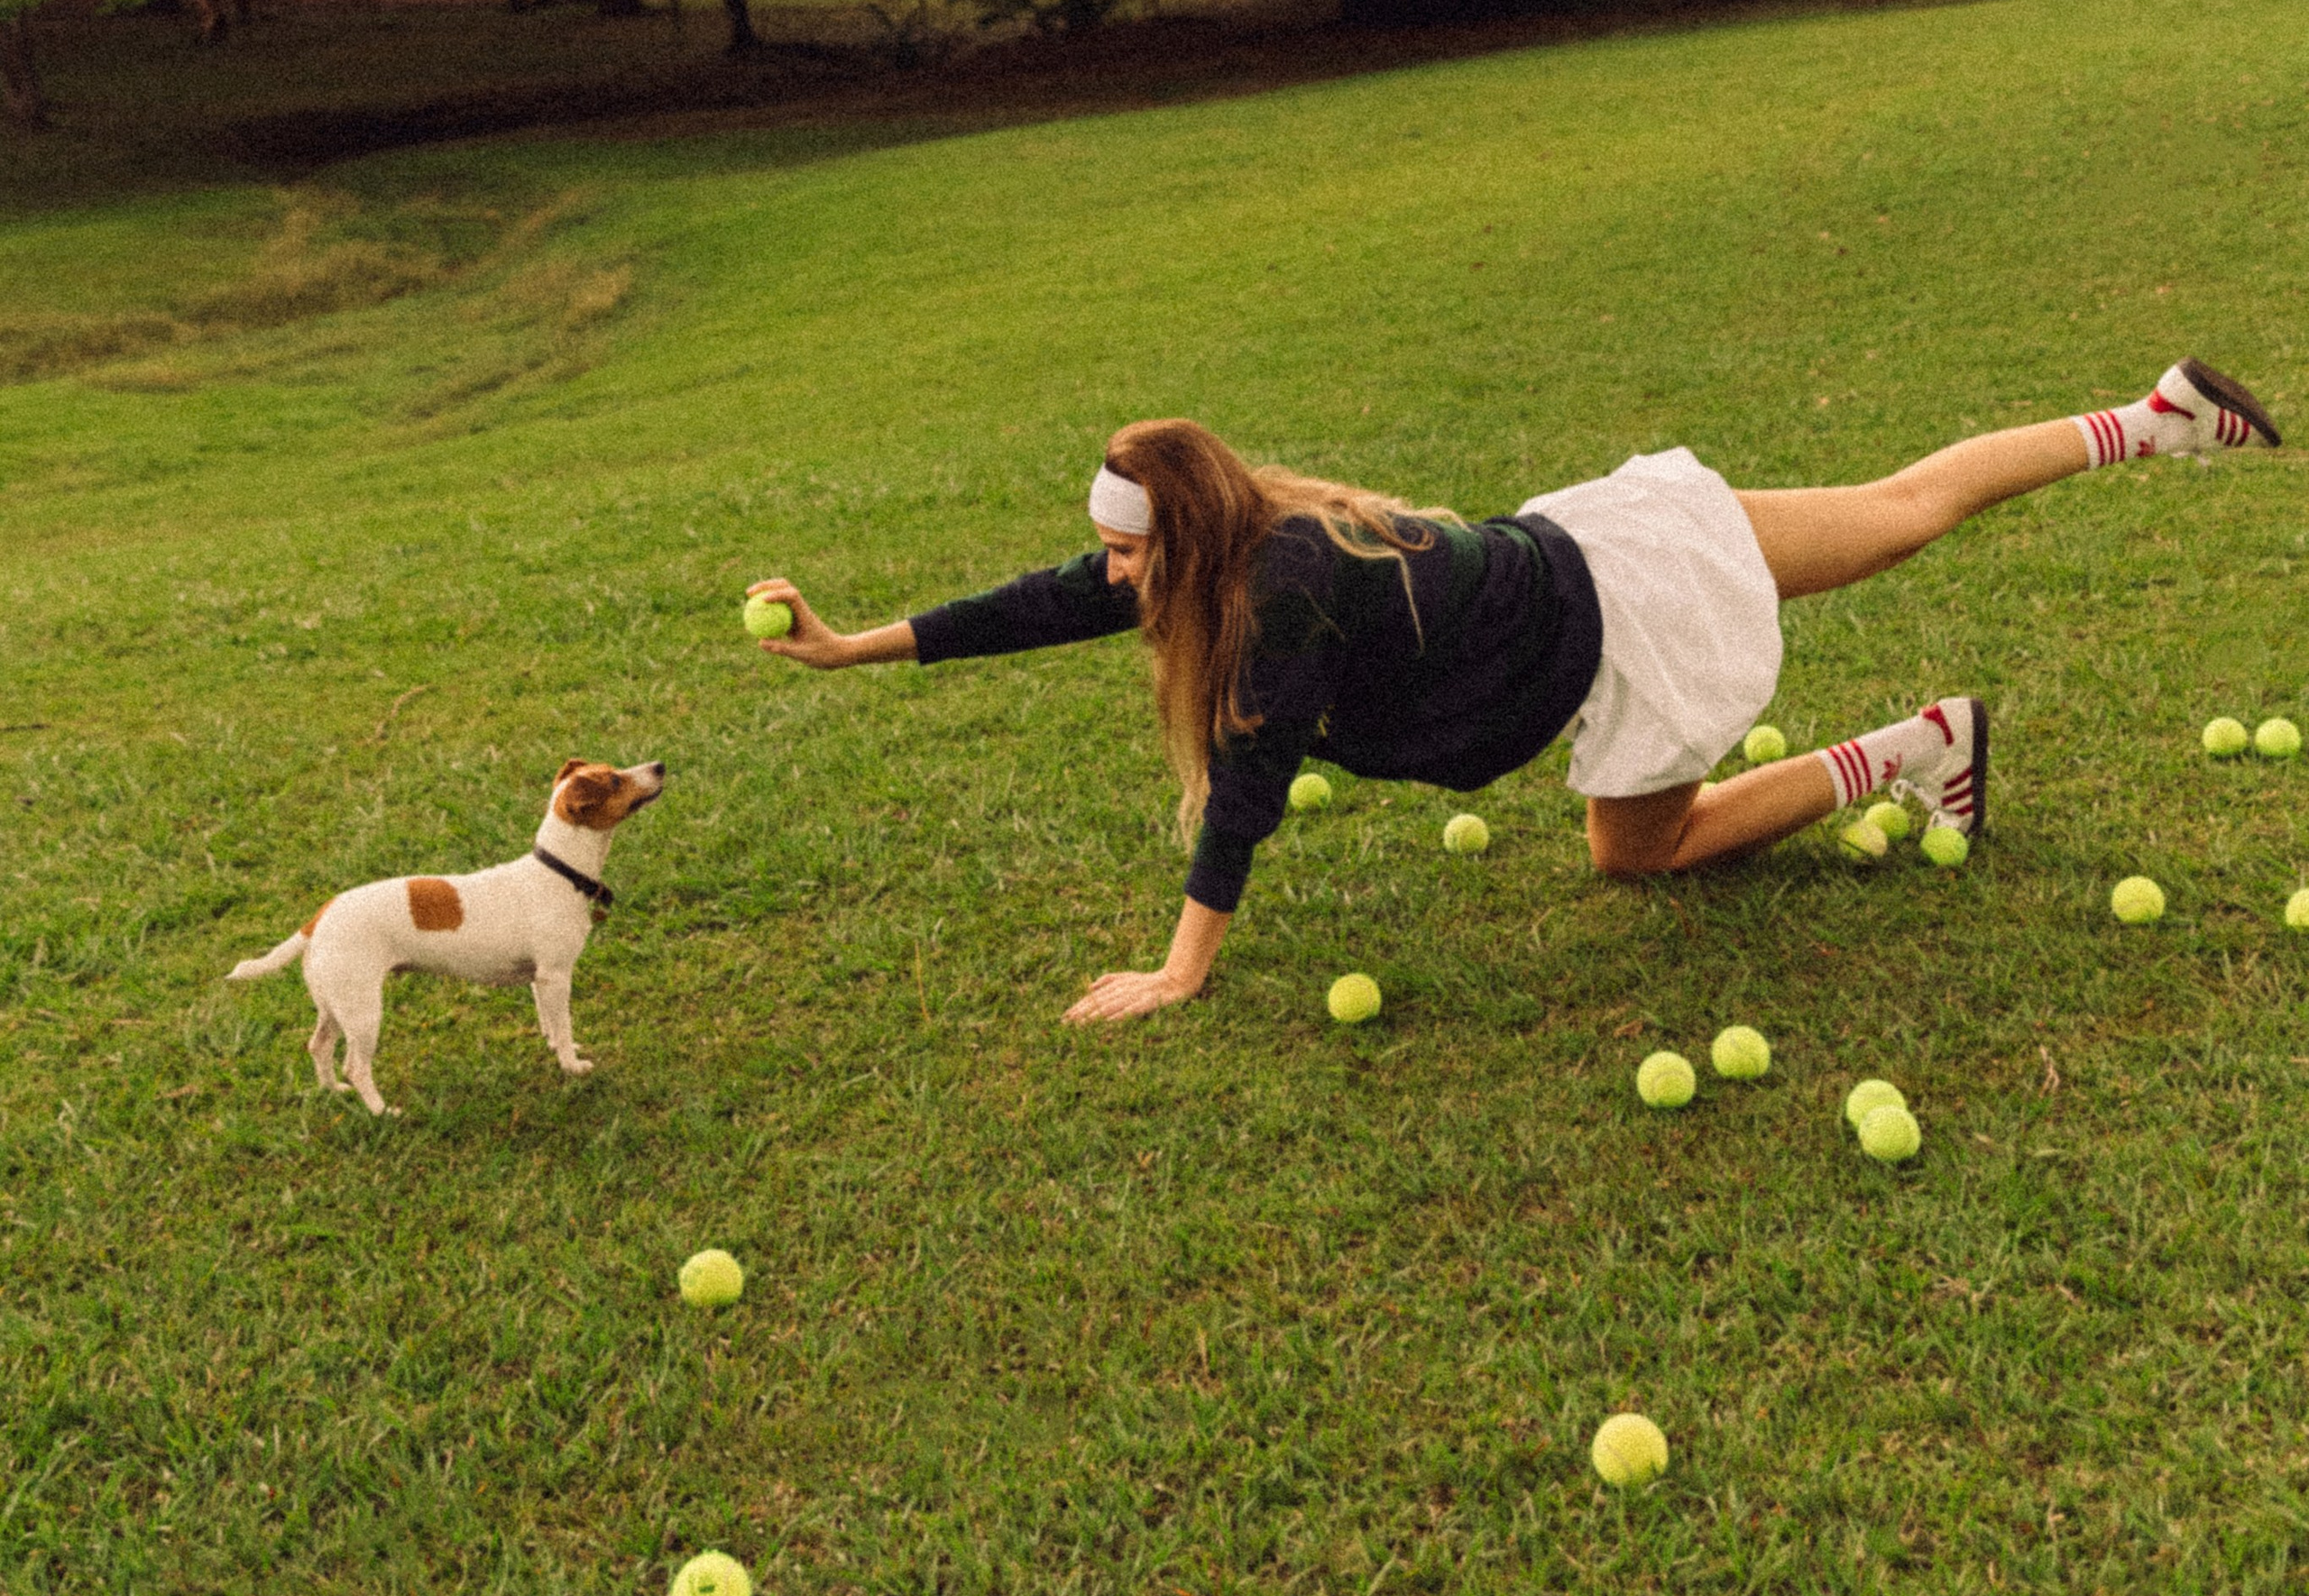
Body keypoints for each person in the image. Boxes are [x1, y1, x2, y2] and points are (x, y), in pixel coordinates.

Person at [748, 357, 2278, 1026]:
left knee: (1642, 855)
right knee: (1896, 506)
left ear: (1187, 539)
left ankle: (1919, 743)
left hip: (1618, 617)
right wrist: (852, 644)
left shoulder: (1283, 594)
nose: (1110, 579)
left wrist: (1180, 971)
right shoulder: (1240, 537)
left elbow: (1249, 787)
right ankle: (2151, 423)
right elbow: (1042, 603)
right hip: (1601, 542)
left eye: (1126, 556)